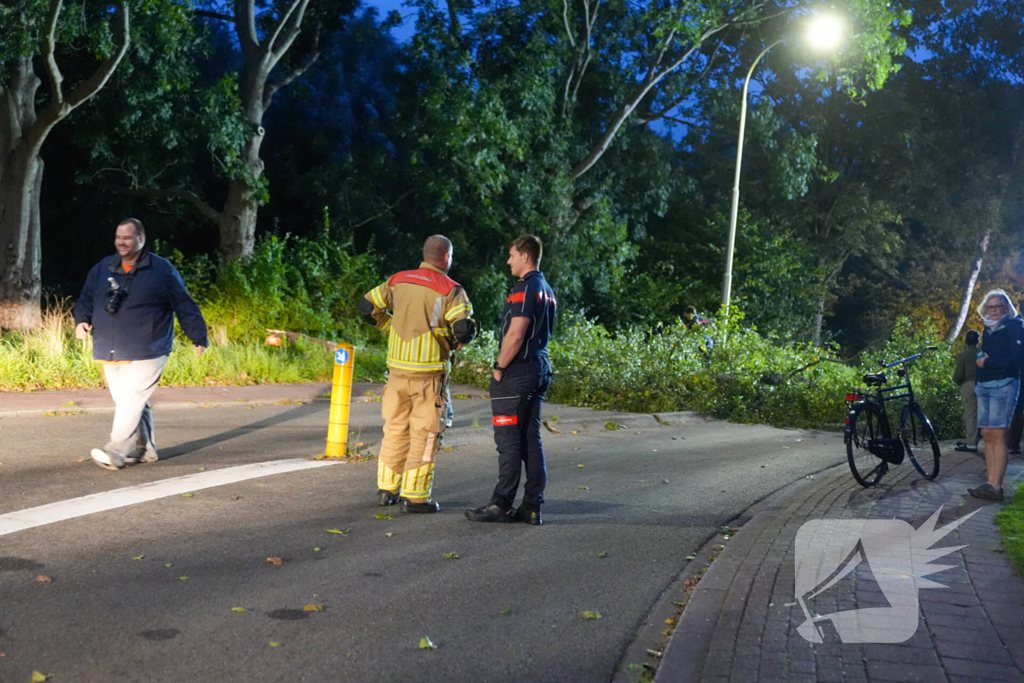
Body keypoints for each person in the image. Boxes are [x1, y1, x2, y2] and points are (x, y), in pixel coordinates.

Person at [74, 218, 208, 470]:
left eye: (127, 237)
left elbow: (183, 303)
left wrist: (197, 334)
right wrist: (81, 320)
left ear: (141, 239)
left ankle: (115, 452)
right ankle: (146, 450)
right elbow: (86, 298)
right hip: (111, 348)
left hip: (149, 348)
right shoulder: (103, 268)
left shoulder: (161, 270)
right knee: (130, 401)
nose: (121, 242)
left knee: (131, 398)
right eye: (118, 237)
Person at [359, 235, 476, 513]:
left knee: (395, 430)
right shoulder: (450, 289)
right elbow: (462, 330)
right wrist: (456, 338)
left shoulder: (398, 280)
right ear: (446, 257)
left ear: (425, 255)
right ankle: (416, 497)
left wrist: (390, 326)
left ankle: (387, 490)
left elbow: (366, 307)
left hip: (397, 373)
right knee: (425, 434)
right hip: (429, 376)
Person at [466, 235, 556, 525]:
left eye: (512, 255)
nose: (509, 261)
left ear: (526, 257)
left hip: (516, 373)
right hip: (539, 367)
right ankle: (531, 506)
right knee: (531, 439)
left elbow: (516, 333)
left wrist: (498, 367)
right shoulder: (546, 289)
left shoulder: (524, 288)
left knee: (508, 441)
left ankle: (501, 503)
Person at [969, 289, 1023, 501]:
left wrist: (988, 361)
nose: (994, 310)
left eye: (998, 306)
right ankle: (990, 482)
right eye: (990, 307)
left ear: (1006, 307)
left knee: (998, 436)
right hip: (984, 385)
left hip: (1004, 385)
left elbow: (1016, 359)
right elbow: (990, 355)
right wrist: (983, 359)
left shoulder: (1015, 327)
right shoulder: (987, 329)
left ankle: (996, 486)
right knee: (987, 436)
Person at [953, 330, 980, 453]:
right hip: (984, 384)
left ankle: (971, 443)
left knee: (971, 415)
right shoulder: (982, 353)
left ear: (966, 341)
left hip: (968, 384)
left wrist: (959, 383)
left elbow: (958, 375)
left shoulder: (963, 355)